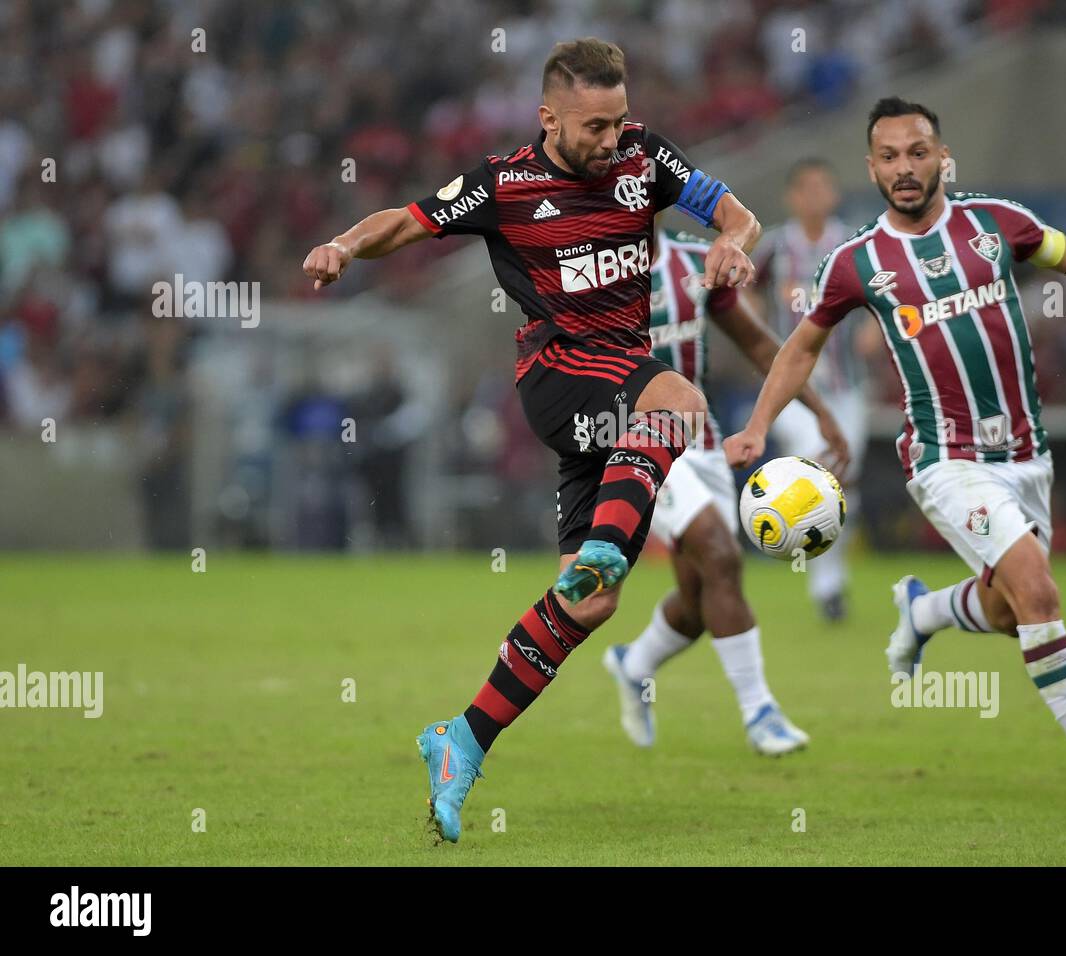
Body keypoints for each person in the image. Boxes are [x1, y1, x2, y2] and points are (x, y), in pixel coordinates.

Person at [302, 38, 761, 843]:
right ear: (548, 117)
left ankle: (461, 740)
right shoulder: (501, 183)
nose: (611, 139)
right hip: (556, 373)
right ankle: (615, 544)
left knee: (590, 602)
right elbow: (403, 224)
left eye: (618, 122)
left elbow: (736, 212)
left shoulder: (645, 156)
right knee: (681, 403)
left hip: (617, 378)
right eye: (593, 127)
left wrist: (733, 243)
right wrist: (342, 246)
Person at [724, 96, 1066, 811]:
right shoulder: (857, 264)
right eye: (890, 157)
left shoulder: (998, 225)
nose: (905, 168)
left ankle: (924, 612)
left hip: (1028, 456)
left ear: (943, 157)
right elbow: (800, 347)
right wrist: (757, 427)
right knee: (1041, 593)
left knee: (1008, 614)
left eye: (918, 152)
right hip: (944, 458)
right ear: (871, 168)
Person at [604, 227, 848, 756]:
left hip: (704, 443)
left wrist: (822, 413)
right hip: (635, 441)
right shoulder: (590, 267)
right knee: (720, 553)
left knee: (698, 601)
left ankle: (634, 664)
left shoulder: (700, 261)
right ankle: (761, 713)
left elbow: (761, 344)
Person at [753, 159, 866, 621]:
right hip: (794, 388)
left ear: (834, 193)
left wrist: (877, 327)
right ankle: (827, 585)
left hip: (847, 383)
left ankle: (828, 571)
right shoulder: (776, 247)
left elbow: (887, 289)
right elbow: (744, 289)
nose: (816, 195)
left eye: (824, 186)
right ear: (792, 197)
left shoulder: (855, 242)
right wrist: (758, 331)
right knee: (819, 455)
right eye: (807, 188)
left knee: (844, 473)